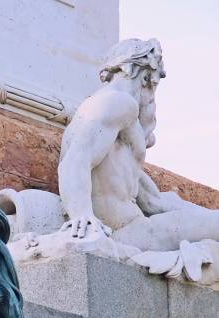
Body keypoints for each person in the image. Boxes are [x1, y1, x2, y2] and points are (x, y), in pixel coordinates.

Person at [58, 38, 219, 252]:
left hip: (136, 225)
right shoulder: (118, 103)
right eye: (153, 84)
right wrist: (81, 215)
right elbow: (75, 160)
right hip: (128, 232)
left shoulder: (116, 124)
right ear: (144, 77)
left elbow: (154, 202)